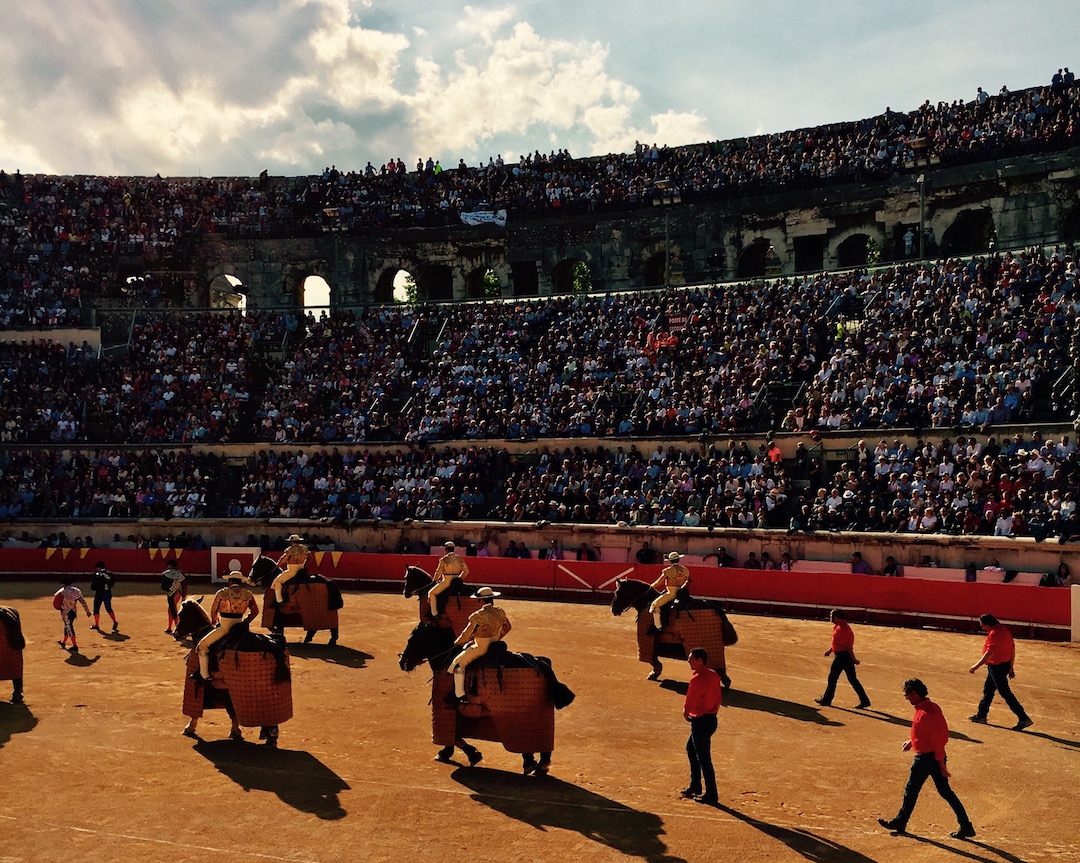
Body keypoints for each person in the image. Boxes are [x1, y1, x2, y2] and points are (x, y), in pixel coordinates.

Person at [878, 678, 976, 840]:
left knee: (912, 790)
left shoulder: (924, 714)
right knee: (945, 792)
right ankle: (966, 826)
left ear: (915, 693)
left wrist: (940, 764)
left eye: (908, 694)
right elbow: (937, 733)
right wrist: (913, 742)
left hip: (927, 759)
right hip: (934, 756)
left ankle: (901, 822)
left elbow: (937, 739)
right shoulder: (932, 708)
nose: (906, 697)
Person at [968, 613, 1032, 730]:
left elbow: (989, 654)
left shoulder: (994, 634)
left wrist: (975, 667)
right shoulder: (1004, 630)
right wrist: (1011, 667)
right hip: (1003, 665)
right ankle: (981, 715)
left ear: (988, 624)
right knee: (988, 690)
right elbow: (1012, 650)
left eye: (983, 626)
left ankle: (1023, 718)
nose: (982, 628)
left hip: (996, 668)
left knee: (1005, 693)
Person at [447, 587, 511, 702]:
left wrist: (458, 642)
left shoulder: (478, 615)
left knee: (457, 665)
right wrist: (497, 637)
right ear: (492, 599)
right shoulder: (500, 612)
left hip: (481, 647)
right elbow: (507, 627)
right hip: (496, 644)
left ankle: (459, 695)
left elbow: (467, 632)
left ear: (481, 600)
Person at [194, 571, 259, 681]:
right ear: (240, 582)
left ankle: (204, 675)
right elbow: (255, 611)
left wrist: (215, 621)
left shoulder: (222, 593)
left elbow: (213, 611)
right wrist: (245, 622)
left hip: (224, 627)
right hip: (240, 627)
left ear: (229, 582)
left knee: (202, 646)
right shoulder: (248, 594)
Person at [680, 647, 721, 805]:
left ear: (700, 660)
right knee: (692, 749)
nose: (689, 661)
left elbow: (691, 699)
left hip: (700, 721)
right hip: (711, 720)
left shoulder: (696, 679)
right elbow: (718, 698)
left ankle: (711, 793)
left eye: (691, 659)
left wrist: (686, 712)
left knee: (704, 758)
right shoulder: (714, 675)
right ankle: (696, 785)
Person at [815, 610, 871, 708]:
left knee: (832, 678)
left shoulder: (842, 629)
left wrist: (854, 659)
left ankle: (827, 700)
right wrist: (830, 650)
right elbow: (838, 643)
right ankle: (864, 700)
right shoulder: (841, 627)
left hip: (842, 657)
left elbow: (847, 647)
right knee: (852, 679)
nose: (831, 618)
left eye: (832, 616)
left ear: (837, 617)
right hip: (844, 655)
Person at [648, 552, 689, 633]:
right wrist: (683, 587)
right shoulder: (684, 569)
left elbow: (659, 582)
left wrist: (650, 587)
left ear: (670, 561)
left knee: (654, 604)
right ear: (679, 559)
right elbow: (690, 580)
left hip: (671, 593)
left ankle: (658, 627)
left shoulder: (668, 570)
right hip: (681, 592)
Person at [428, 540, 470, 619]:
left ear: (446, 550)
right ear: (453, 549)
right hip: (456, 581)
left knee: (431, 593)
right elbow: (466, 571)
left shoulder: (444, 559)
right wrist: (459, 579)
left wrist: (434, 580)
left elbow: (438, 573)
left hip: (446, 582)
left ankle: (435, 614)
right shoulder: (459, 558)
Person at [54, 578, 90, 652]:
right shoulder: (76, 590)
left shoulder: (61, 591)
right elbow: (82, 601)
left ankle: (74, 645)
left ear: (63, 584)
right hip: (73, 611)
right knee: (67, 626)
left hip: (65, 611)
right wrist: (87, 611)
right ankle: (63, 642)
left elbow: (57, 603)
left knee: (69, 627)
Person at [272, 534, 310, 605]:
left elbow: (283, 559)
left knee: (277, 582)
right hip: (301, 569)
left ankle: (279, 601)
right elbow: (310, 558)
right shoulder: (304, 548)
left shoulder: (290, 549)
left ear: (291, 542)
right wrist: (304, 565)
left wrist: (277, 566)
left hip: (292, 571)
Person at [89, 561, 118, 633]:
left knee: (96, 608)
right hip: (107, 593)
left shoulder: (97, 574)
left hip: (99, 593)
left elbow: (93, 586)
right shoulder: (110, 574)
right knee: (108, 608)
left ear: (98, 568)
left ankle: (96, 624)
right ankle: (114, 621)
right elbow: (112, 583)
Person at [162, 559, 187, 634]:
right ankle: (170, 627)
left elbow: (164, 586)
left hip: (172, 593)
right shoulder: (180, 573)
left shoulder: (167, 573)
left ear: (170, 566)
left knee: (172, 610)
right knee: (171, 609)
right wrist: (183, 595)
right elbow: (184, 585)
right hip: (178, 593)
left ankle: (178, 628)